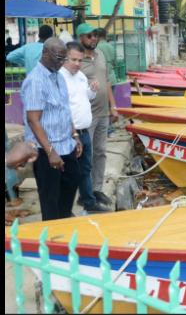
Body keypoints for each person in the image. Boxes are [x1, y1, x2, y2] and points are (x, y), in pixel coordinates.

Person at [21, 38, 83, 221]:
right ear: (45, 54)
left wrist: (75, 135)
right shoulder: (35, 81)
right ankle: (50, 239)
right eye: (58, 58)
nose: (61, 62)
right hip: (46, 150)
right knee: (50, 199)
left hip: (66, 145)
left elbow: (65, 109)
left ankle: (63, 226)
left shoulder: (59, 76)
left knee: (72, 183)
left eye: (64, 59)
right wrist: (50, 152)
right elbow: (33, 120)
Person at [59, 41, 111, 213]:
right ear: (64, 58)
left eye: (80, 60)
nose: (77, 64)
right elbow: (62, 108)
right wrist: (73, 134)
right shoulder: (60, 78)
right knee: (70, 173)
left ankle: (89, 202)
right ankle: (65, 209)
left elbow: (85, 97)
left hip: (84, 131)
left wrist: (92, 90)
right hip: (70, 133)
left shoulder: (80, 76)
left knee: (85, 169)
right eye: (73, 60)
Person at [77, 23, 119, 205]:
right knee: (86, 155)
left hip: (103, 113)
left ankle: (97, 189)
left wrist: (113, 106)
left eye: (95, 35)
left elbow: (107, 81)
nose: (93, 38)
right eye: (89, 36)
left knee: (100, 152)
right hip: (86, 116)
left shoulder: (100, 54)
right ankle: (84, 194)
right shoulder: (76, 60)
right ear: (80, 38)